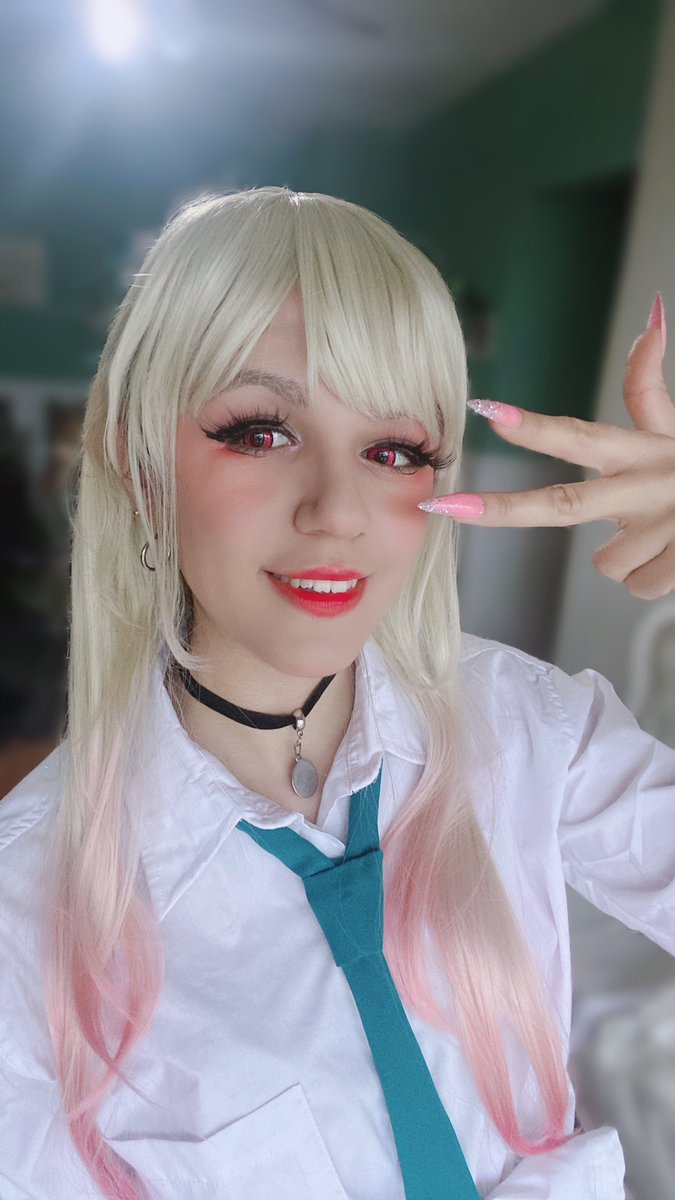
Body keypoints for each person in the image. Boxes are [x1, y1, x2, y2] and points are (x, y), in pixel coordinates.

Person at [0, 187, 673, 1200]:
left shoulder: (529, 726)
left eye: (394, 451)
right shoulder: (23, 917)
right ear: (141, 466)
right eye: (261, 432)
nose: (339, 511)